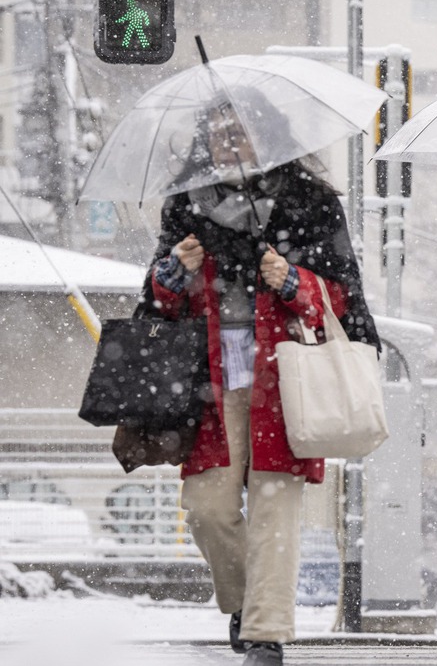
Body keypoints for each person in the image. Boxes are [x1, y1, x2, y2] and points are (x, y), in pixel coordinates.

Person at [140, 97, 377, 666]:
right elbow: (153, 300)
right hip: (209, 378)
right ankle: (247, 603)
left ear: (269, 136)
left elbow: (345, 298)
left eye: (242, 131)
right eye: (220, 132)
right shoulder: (185, 206)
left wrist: (294, 281)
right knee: (207, 509)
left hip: (286, 376)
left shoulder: (311, 204)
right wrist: (173, 275)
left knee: (276, 511)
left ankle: (266, 634)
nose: (230, 141)